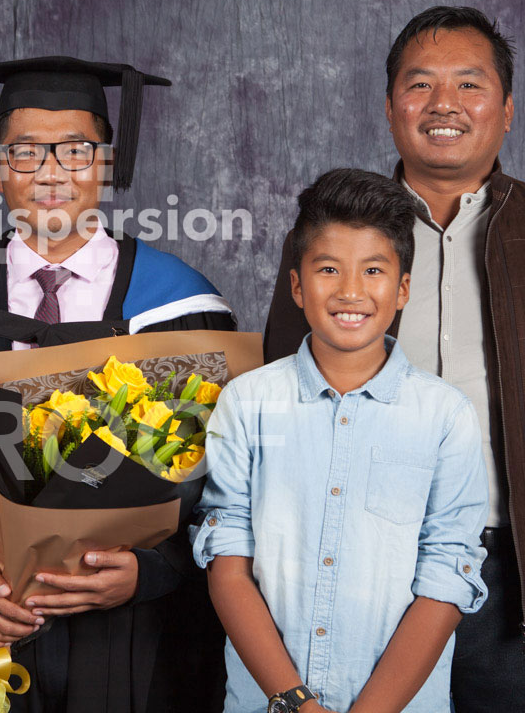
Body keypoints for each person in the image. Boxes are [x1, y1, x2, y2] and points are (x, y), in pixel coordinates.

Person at [264, 7, 525, 711]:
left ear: (507, 110)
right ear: (390, 109)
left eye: (470, 84)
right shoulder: (328, 240)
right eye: (420, 85)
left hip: (518, 590)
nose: (444, 104)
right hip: (355, 574)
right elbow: (282, 409)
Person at [0, 56, 237, 712]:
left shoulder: (179, 305)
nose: (51, 172)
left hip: (130, 634)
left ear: (107, 164)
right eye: (27, 151)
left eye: (76, 150)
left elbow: (221, 481)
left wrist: (153, 570)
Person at [196, 168, 489, 712]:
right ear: (297, 286)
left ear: (402, 289)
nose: (351, 291)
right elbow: (228, 561)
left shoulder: (445, 416)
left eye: (373, 270)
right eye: (328, 269)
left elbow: (448, 575)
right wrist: (297, 703)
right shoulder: (249, 402)